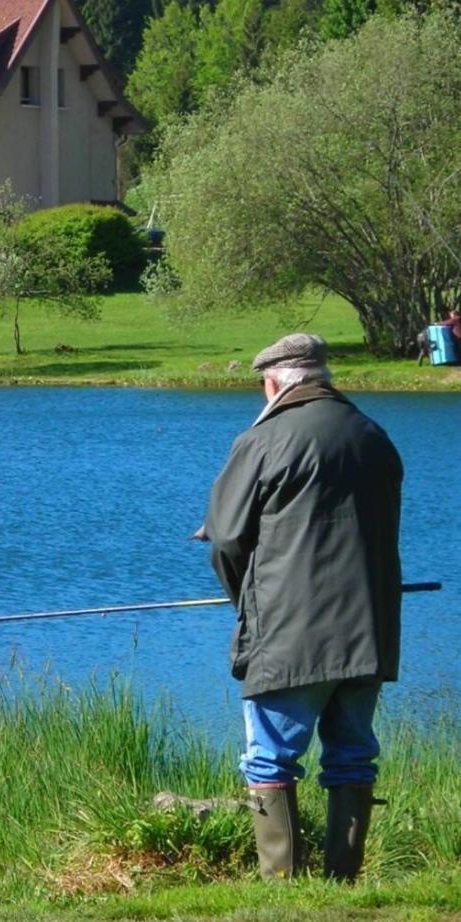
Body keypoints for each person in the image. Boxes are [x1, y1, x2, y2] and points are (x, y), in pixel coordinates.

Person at [203, 333, 403, 881]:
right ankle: (343, 880)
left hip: (289, 635)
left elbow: (224, 540)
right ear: (322, 378)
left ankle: (284, 886)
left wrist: (247, 600)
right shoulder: (374, 435)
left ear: (272, 383)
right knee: (353, 756)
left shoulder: (263, 440)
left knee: (270, 758)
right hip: (370, 630)